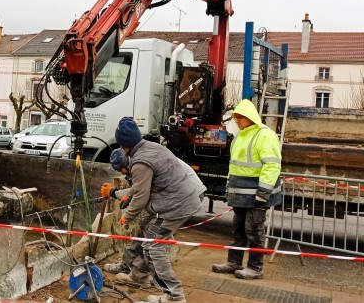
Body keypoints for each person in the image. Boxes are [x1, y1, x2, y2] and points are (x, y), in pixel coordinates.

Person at [110, 117, 206, 303]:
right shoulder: (153, 148)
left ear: (124, 146)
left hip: (174, 206)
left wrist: (127, 216)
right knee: (147, 232)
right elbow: (140, 186)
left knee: (152, 246)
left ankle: (174, 295)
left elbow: (142, 197)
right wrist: (127, 195)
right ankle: (139, 275)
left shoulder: (139, 162)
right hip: (180, 200)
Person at [211, 99, 282, 280]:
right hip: (242, 194)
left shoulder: (265, 135)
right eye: (235, 118)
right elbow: (234, 166)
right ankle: (234, 263)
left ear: (249, 117)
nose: (237, 121)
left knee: (254, 230)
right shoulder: (240, 136)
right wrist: (230, 188)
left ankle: (255, 268)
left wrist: (263, 193)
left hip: (258, 194)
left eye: (240, 118)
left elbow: (272, 166)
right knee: (238, 229)